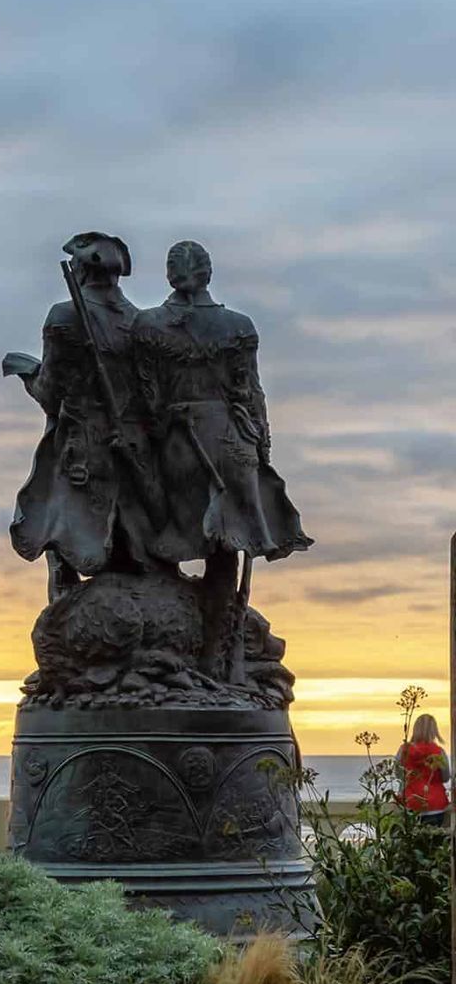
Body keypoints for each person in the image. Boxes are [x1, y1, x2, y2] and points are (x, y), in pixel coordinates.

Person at [132, 240, 312, 678]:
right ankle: (212, 656)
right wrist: (261, 446)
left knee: (169, 538)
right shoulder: (238, 326)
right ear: (208, 274)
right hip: (231, 440)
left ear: (170, 275)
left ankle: (186, 648)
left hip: (179, 441)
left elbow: (147, 399)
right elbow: (250, 392)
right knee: (226, 549)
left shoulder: (149, 326)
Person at [5, 231, 163, 602]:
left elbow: (51, 392)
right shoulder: (142, 323)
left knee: (61, 543)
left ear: (81, 269)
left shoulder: (64, 316)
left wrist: (27, 373)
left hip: (81, 448)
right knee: (129, 546)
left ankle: (67, 632)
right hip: (134, 450)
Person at [396, 715, 450, 826]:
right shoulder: (439, 752)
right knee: (433, 841)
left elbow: (398, 775)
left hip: (410, 803)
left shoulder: (404, 750)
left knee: (411, 841)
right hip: (436, 804)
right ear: (434, 731)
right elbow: (445, 777)